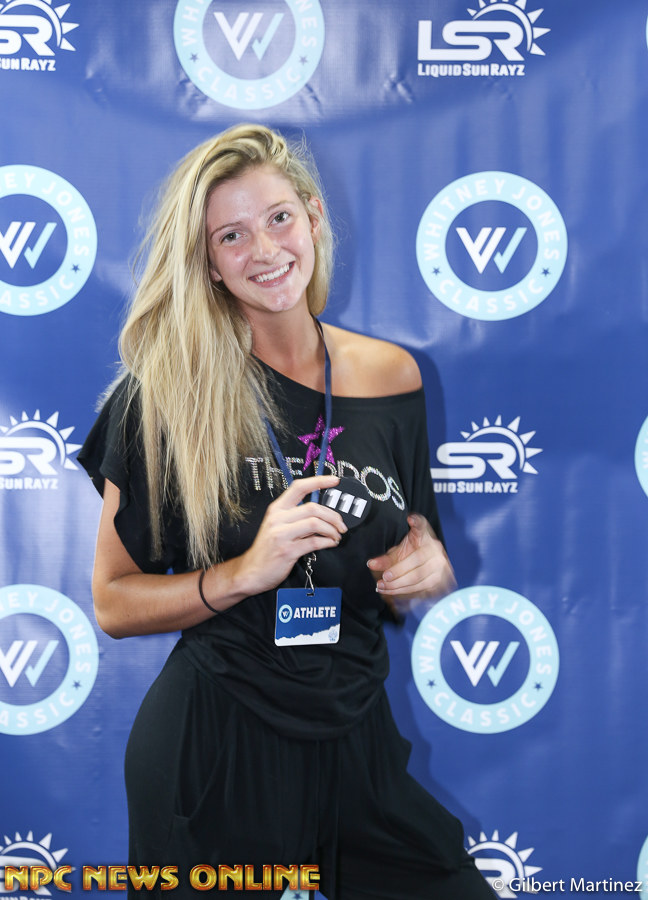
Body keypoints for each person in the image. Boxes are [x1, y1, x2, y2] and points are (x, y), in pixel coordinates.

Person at [79, 123, 494, 899]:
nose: (265, 250)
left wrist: (429, 566)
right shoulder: (164, 396)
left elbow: (413, 542)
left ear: (314, 216)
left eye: (278, 218)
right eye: (231, 236)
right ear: (207, 262)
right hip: (215, 744)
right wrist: (244, 572)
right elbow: (112, 601)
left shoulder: (393, 375)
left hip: (358, 736)